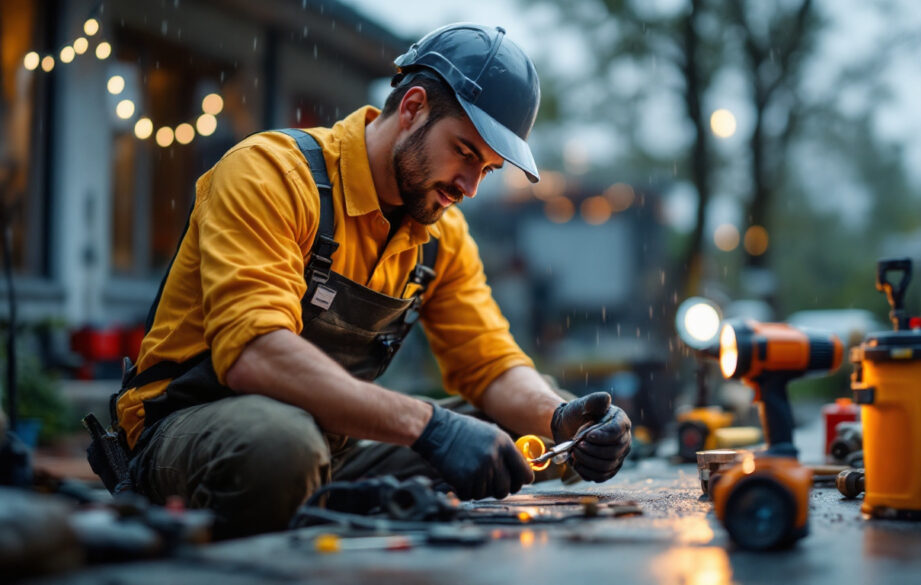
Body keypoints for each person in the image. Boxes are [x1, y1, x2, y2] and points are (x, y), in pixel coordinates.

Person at [110, 23, 631, 539]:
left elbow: (489, 363)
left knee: (518, 440)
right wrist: (428, 426)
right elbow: (255, 356)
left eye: (488, 170)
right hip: (188, 430)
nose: (469, 187)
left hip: (327, 442)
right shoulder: (269, 175)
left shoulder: (439, 234)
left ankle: (317, 494)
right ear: (412, 109)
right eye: (466, 153)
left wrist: (562, 421)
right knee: (281, 447)